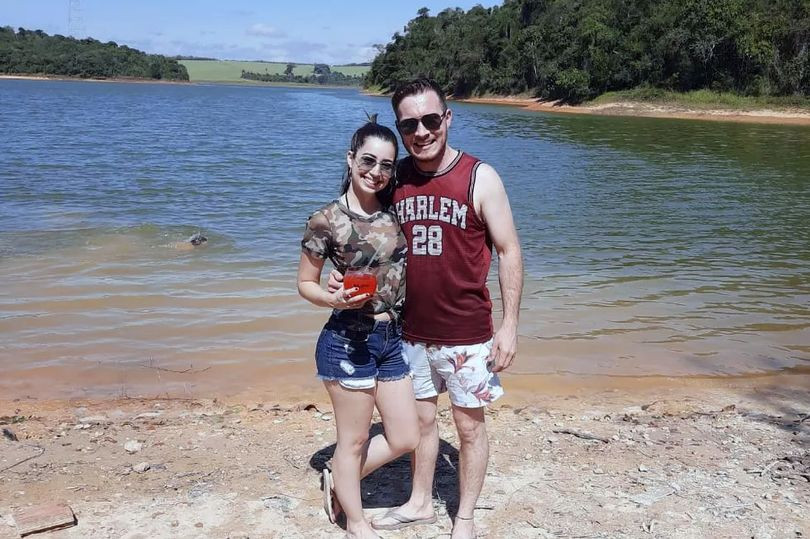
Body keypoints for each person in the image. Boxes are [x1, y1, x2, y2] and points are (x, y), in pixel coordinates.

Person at [330, 78, 523, 538]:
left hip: (467, 332)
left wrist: (510, 325)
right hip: (408, 330)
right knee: (420, 423)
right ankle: (420, 503)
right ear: (400, 128)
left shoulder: (480, 177)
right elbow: (359, 226)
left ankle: (465, 516)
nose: (421, 132)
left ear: (447, 118)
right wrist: (337, 274)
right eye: (409, 125)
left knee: (469, 428)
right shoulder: (394, 178)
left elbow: (509, 250)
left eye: (430, 120)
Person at [297, 120, 420, 539]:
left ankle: (338, 476)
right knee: (353, 439)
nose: (376, 172)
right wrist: (331, 297)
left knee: (405, 435)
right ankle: (356, 522)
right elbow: (305, 283)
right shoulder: (326, 220)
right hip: (347, 340)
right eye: (368, 161)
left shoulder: (395, 210)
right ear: (350, 159)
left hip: (391, 337)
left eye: (386, 165)